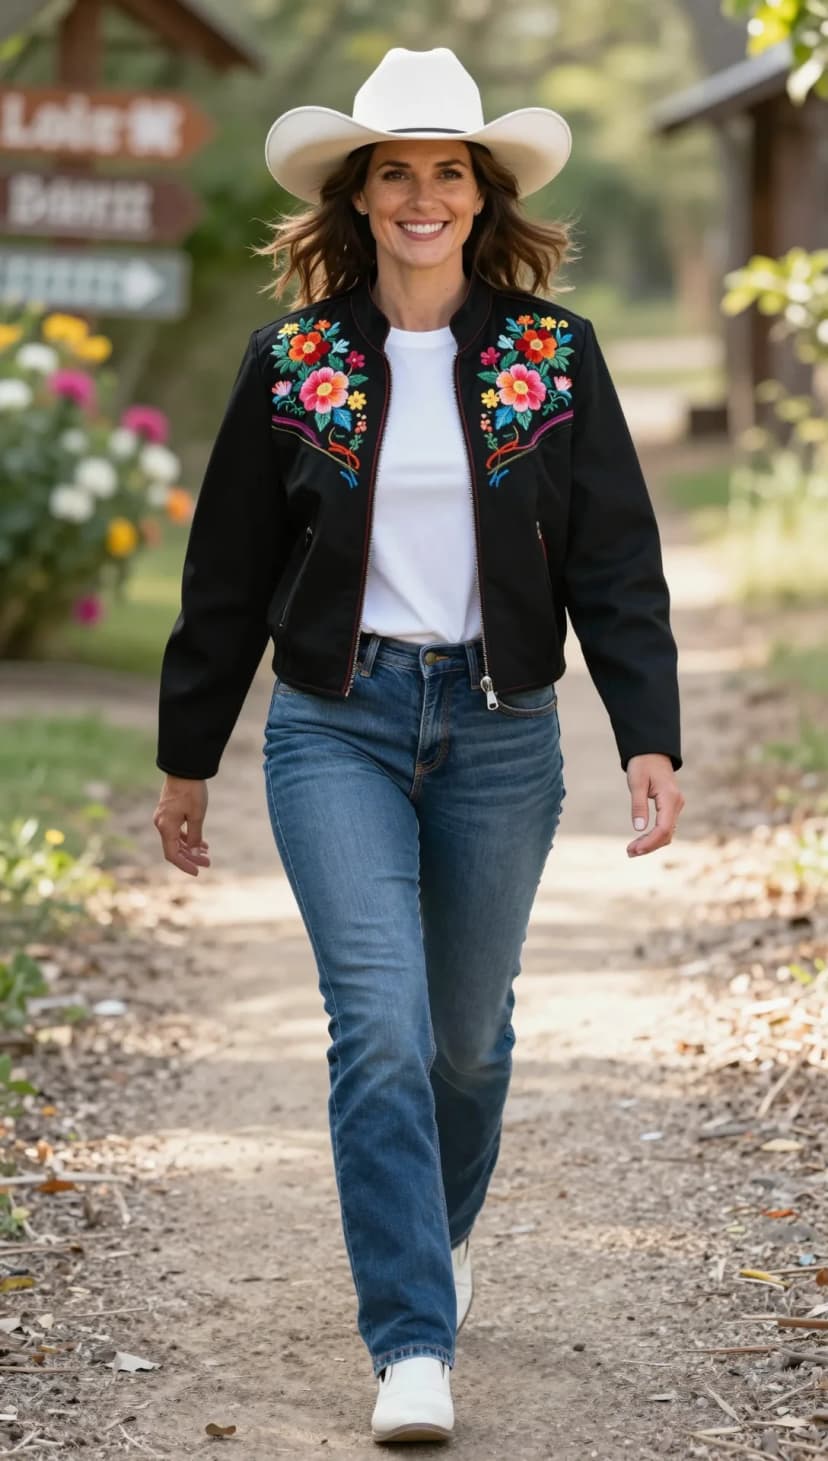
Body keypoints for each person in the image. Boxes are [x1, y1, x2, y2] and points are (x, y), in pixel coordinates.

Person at [153, 45, 685, 1445]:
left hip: (503, 733)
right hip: (340, 723)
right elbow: (226, 569)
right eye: (397, 170)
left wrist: (649, 731)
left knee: (463, 1043)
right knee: (377, 1029)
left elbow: (616, 557)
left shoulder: (550, 355)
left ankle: (425, 1251)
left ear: (484, 194)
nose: (423, 195)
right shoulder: (299, 358)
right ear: (358, 195)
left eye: (449, 170)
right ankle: (410, 1335)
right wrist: (186, 752)